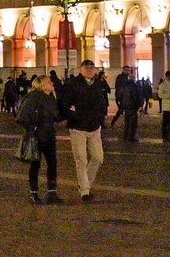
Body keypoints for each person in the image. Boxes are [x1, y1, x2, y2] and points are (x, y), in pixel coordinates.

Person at [60, 60, 109, 201]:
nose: (89, 69)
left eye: (91, 67)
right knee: (81, 159)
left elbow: (102, 102)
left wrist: (101, 117)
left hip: (94, 127)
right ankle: (85, 191)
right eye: (86, 67)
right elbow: (64, 104)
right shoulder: (72, 84)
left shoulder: (97, 84)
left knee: (98, 158)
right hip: (78, 127)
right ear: (80, 69)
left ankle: (84, 183)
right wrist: (72, 116)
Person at [18, 72, 62, 204]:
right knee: (35, 164)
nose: (52, 83)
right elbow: (22, 117)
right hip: (36, 136)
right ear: (42, 86)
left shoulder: (50, 97)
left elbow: (55, 115)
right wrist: (33, 127)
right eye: (49, 82)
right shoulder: (32, 97)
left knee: (52, 164)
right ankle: (34, 193)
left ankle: (51, 192)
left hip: (49, 134)